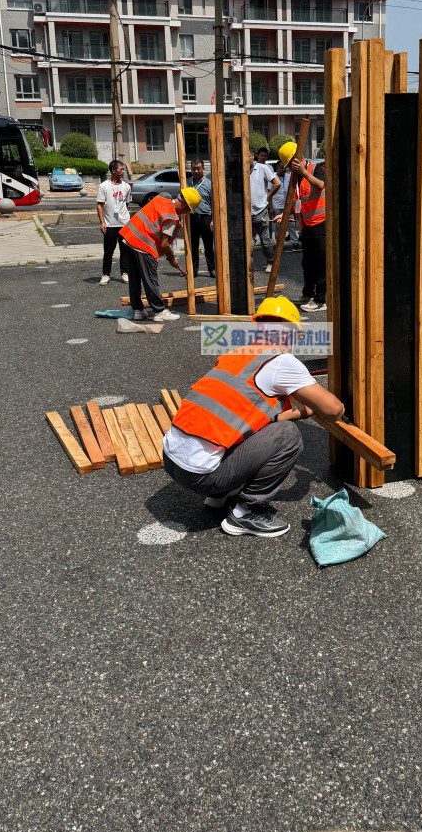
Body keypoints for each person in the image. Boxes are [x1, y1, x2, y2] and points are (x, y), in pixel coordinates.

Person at [162, 295, 345, 539]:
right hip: (201, 475)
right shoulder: (282, 362)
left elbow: (251, 416)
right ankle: (246, 514)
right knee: (288, 437)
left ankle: (220, 495)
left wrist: (301, 412)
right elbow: (334, 410)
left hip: (173, 461)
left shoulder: (240, 353)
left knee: (261, 430)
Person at [119, 187, 201, 322]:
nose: (185, 213)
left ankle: (138, 310)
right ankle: (159, 311)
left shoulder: (162, 199)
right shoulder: (171, 217)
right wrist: (172, 258)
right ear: (185, 205)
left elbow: (163, 196)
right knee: (150, 279)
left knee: (134, 279)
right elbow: (165, 244)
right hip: (143, 245)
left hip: (128, 238)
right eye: (187, 210)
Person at [287, 142, 326, 312]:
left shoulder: (314, 169)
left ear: (299, 160)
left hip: (320, 224)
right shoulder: (297, 177)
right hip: (306, 227)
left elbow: (320, 185)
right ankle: (308, 293)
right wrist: (286, 214)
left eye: (291, 165)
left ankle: (320, 300)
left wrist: (303, 172)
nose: (290, 169)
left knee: (320, 264)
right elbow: (300, 201)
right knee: (307, 263)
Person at [96, 160, 131, 286]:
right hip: (110, 223)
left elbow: (126, 204)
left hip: (124, 223)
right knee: (108, 251)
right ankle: (106, 274)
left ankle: (125, 273)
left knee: (125, 250)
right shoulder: (104, 186)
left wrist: (126, 219)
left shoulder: (126, 187)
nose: (123, 171)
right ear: (113, 171)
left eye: (123, 169)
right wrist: (102, 222)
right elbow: (100, 205)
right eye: (120, 169)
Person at [251, 146, 281, 272]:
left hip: (261, 210)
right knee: (248, 241)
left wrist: (267, 197)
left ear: (252, 157)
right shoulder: (241, 170)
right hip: (247, 212)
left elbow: (277, 183)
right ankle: (249, 263)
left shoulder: (263, 168)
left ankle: (270, 262)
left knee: (265, 241)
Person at [188, 159, 215, 278]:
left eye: (199, 168)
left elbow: (214, 203)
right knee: (193, 246)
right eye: (194, 169)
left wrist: (213, 220)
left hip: (206, 218)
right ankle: (193, 271)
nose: (196, 171)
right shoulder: (187, 183)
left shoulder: (209, 184)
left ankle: (212, 270)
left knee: (208, 246)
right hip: (192, 218)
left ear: (203, 169)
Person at [271, 153, 300, 249]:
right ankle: (279, 243)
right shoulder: (272, 178)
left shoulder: (289, 176)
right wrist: (270, 207)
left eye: (284, 168)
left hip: (288, 205)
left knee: (291, 224)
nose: (283, 169)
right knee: (279, 226)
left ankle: (294, 242)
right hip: (277, 205)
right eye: (281, 168)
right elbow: (269, 192)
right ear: (276, 168)